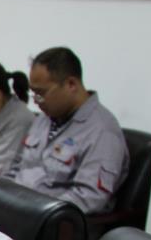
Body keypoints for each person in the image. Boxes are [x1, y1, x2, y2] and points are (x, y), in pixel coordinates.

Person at [12, 46, 129, 213]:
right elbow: (17, 167)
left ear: (71, 84)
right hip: (16, 207)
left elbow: (88, 197)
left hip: (49, 219)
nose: (36, 101)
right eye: (34, 93)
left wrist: (35, 211)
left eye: (41, 93)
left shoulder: (102, 131)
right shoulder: (45, 119)